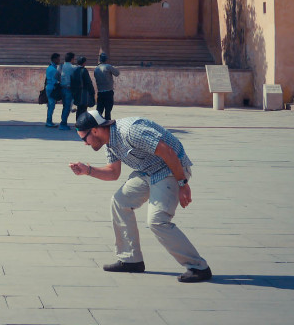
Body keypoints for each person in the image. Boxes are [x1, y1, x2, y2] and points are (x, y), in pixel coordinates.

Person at [70, 110, 211, 283]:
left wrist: (182, 183)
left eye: (84, 138)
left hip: (171, 170)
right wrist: (87, 171)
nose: (84, 143)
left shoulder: (130, 130)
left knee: (157, 221)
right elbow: (113, 173)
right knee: (120, 202)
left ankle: (198, 267)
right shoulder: (110, 142)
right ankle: (131, 260)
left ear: (95, 130)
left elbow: (166, 151)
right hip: (148, 171)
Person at [94, 52, 119, 119]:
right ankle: (107, 124)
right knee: (108, 110)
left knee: (99, 110)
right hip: (108, 91)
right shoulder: (108, 67)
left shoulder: (96, 69)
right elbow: (117, 73)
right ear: (106, 59)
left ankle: (98, 124)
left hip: (100, 91)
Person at [69, 54, 94, 124]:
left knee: (79, 109)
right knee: (83, 109)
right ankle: (81, 124)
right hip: (83, 93)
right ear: (83, 63)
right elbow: (88, 82)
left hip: (76, 93)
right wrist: (92, 91)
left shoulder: (73, 70)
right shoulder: (84, 70)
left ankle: (77, 123)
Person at [56, 53, 75, 130]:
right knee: (67, 107)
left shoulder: (60, 66)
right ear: (72, 59)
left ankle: (63, 122)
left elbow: (56, 76)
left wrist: (61, 81)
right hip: (69, 89)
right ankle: (63, 123)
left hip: (62, 88)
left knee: (64, 106)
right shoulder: (73, 68)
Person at [44, 53, 61, 128]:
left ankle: (49, 121)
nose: (59, 60)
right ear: (54, 59)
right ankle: (49, 121)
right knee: (51, 105)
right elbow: (55, 80)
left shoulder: (49, 68)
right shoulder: (53, 69)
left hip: (48, 87)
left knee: (50, 105)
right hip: (52, 88)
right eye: (58, 59)